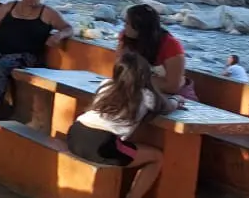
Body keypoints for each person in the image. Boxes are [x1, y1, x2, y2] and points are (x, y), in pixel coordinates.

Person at [66, 52, 181, 198]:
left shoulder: (106, 85)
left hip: (75, 133)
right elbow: (168, 107)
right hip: (102, 144)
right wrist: (177, 100)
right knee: (156, 157)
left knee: (126, 147)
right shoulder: (146, 96)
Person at [119, 4, 197, 100]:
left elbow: (172, 87)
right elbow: (121, 72)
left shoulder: (171, 45)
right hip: (143, 91)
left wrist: (136, 79)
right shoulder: (126, 37)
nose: (124, 26)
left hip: (177, 97)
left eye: (127, 23)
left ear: (140, 27)